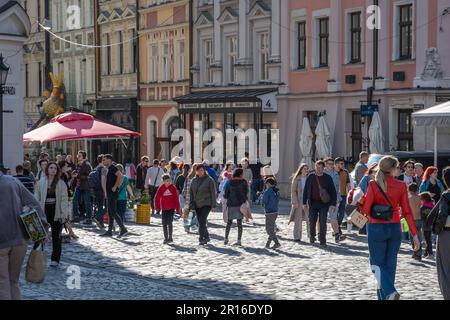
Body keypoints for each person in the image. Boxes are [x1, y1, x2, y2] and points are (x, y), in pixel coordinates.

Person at [361, 156, 420, 300]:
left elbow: (366, 210)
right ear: (392, 169)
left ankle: (390, 292)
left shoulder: (373, 185)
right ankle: (387, 296)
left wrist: (359, 204)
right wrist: (415, 235)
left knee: (376, 265)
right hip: (394, 227)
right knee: (390, 266)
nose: (399, 170)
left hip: (376, 228)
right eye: (398, 167)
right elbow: (407, 212)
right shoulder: (401, 186)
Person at [0, 169, 48, 300]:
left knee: (2, 282)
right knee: (13, 281)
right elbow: (34, 204)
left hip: (2, 241)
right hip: (20, 239)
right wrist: (42, 230)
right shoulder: (13, 181)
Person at [34, 162, 71, 267]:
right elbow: (36, 197)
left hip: (56, 211)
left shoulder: (61, 183)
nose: (53, 170)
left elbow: (64, 199)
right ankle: (36, 257)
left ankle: (55, 259)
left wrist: (64, 214)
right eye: (51, 168)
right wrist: (36, 211)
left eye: (55, 168)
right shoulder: (41, 182)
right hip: (43, 211)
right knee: (40, 235)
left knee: (56, 236)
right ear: (47, 169)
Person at [303, 160, 337, 247]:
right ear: (315, 167)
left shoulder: (328, 178)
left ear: (323, 168)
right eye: (317, 167)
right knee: (312, 221)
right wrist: (304, 203)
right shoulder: (310, 177)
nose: (318, 169)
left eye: (320, 168)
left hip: (324, 204)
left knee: (323, 221)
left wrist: (333, 204)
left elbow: (333, 191)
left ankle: (323, 240)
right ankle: (312, 238)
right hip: (313, 203)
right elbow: (306, 190)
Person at [100, 154, 129, 238]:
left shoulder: (113, 167)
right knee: (110, 212)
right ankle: (109, 231)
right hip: (109, 193)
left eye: (104, 160)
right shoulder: (107, 169)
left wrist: (116, 186)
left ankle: (123, 229)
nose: (103, 161)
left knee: (112, 212)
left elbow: (121, 176)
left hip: (113, 193)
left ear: (109, 160)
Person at [189, 164, 217, 246]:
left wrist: (214, 205)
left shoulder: (209, 180)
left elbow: (213, 193)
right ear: (196, 171)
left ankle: (201, 238)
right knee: (201, 221)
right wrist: (191, 204)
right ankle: (207, 236)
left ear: (204, 171)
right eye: (198, 170)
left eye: (202, 170)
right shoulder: (193, 180)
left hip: (206, 203)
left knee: (202, 221)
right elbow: (191, 193)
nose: (200, 172)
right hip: (197, 204)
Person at [435, 166, 450, 300]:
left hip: (447, 234)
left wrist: (436, 230)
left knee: (445, 268)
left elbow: (442, 215)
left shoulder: (446, 195)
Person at [223, 168, 248, 246]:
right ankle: (239, 240)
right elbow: (246, 192)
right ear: (240, 174)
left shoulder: (229, 182)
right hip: (240, 204)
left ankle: (226, 239)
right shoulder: (244, 182)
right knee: (239, 223)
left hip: (231, 204)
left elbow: (226, 194)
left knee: (229, 222)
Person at [154, 174, 180, 244]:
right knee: (164, 223)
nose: (168, 181)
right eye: (166, 180)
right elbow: (157, 198)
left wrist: (177, 208)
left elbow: (176, 198)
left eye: (169, 180)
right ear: (163, 181)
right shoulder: (161, 188)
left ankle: (170, 237)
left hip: (171, 208)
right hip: (164, 208)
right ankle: (166, 238)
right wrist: (157, 207)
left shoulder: (173, 187)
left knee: (170, 222)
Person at [324, 157, 345, 243]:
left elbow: (337, 188)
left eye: (332, 164)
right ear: (325, 164)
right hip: (323, 199)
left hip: (334, 199)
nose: (331, 166)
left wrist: (339, 198)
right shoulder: (322, 173)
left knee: (334, 218)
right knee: (321, 218)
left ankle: (337, 235)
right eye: (329, 164)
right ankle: (320, 234)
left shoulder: (336, 173)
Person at [58, 160, 78, 240]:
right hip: (62, 198)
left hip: (66, 196)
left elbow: (67, 184)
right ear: (62, 167)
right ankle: (71, 232)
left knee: (65, 216)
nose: (68, 167)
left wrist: (71, 177)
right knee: (64, 216)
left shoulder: (65, 174)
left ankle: (70, 232)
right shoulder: (60, 175)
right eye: (66, 166)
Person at [71, 151, 93, 224]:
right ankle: (76, 216)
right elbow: (78, 174)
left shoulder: (87, 165)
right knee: (74, 200)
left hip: (86, 186)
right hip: (78, 185)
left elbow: (89, 176)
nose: (78, 156)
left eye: (80, 156)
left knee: (87, 202)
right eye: (78, 155)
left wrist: (78, 176)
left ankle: (89, 218)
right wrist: (74, 173)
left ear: (83, 157)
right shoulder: (78, 165)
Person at [290, 163, 309, 242]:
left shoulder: (309, 178)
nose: (306, 170)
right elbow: (293, 191)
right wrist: (295, 201)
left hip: (308, 200)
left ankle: (311, 236)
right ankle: (297, 236)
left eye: (307, 168)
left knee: (310, 219)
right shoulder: (297, 178)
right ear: (301, 170)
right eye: (304, 168)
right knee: (298, 219)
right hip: (299, 200)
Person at [263, 178, 281, 249]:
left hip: (269, 212)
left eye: (266, 184)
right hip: (275, 211)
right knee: (271, 229)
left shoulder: (267, 191)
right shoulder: (276, 191)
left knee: (269, 230)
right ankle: (267, 244)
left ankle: (277, 243)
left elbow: (264, 202)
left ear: (269, 184)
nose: (266, 185)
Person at [335, 157, 351, 235]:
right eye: (341, 164)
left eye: (343, 163)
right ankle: (336, 229)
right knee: (335, 213)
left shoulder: (345, 172)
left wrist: (350, 193)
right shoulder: (332, 172)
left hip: (343, 195)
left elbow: (348, 183)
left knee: (341, 213)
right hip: (334, 196)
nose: (343, 165)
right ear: (336, 164)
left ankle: (337, 226)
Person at [182, 164, 198, 233]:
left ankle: (186, 227)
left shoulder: (188, 177)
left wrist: (184, 195)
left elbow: (184, 188)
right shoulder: (197, 178)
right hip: (194, 198)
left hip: (188, 198)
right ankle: (193, 225)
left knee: (187, 213)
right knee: (195, 213)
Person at [408, 183, 422, 260]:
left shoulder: (408, 199)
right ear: (417, 190)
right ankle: (419, 253)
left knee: (413, 237)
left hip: (412, 220)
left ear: (409, 190)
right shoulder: (420, 198)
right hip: (420, 219)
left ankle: (416, 252)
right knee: (419, 236)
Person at [92, 155, 107, 229]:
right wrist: (105, 191)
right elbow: (103, 181)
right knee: (105, 207)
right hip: (101, 189)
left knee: (99, 206)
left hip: (95, 189)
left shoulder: (95, 168)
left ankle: (101, 223)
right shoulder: (104, 169)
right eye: (104, 160)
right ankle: (98, 218)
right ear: (102, 160)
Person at [420, 191, 435, 259]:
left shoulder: (423, 207)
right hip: (431, 224)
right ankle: (426, 253)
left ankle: (431, 254)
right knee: (428, 239)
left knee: (428, 240)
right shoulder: (432, 205)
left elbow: (421, 216)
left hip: (425, 225)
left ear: (423, 199)